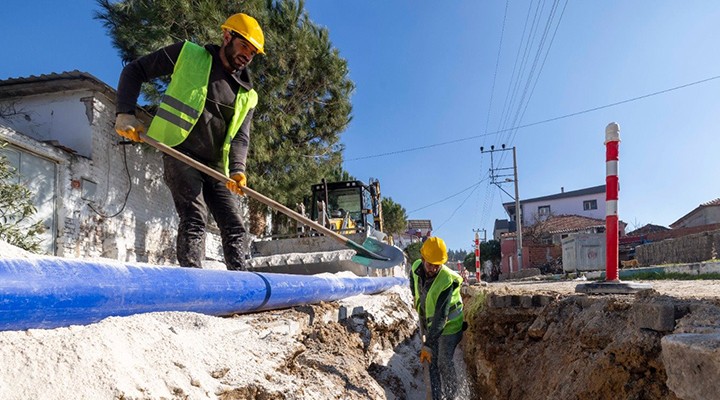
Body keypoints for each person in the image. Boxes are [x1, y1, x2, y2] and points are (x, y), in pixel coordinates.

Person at [114, 13, 265, 271]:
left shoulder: (248, 95)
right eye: (244, 46)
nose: (247, 56)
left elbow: (241, 136)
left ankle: (241, 286)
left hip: (216, 165)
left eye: (252, 53)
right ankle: (194, 282)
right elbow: (134, 70)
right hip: (178, 149)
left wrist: (238, 170)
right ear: (227, 36)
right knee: (195, 217)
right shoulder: (189, 54)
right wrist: (125, 113)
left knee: (235, 226)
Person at [410, 236, 466, 400]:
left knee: (442, 360)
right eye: (430, 264)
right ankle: (435, 397)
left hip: (450, 325)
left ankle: (451, 396)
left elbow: (441, 317)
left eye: (437, 265)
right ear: (423, 259)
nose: (434, 268)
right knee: (431, 364)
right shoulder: (415, 268)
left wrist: (427, 344)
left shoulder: (446, 280)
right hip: (431, 324)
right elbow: (414, 288)